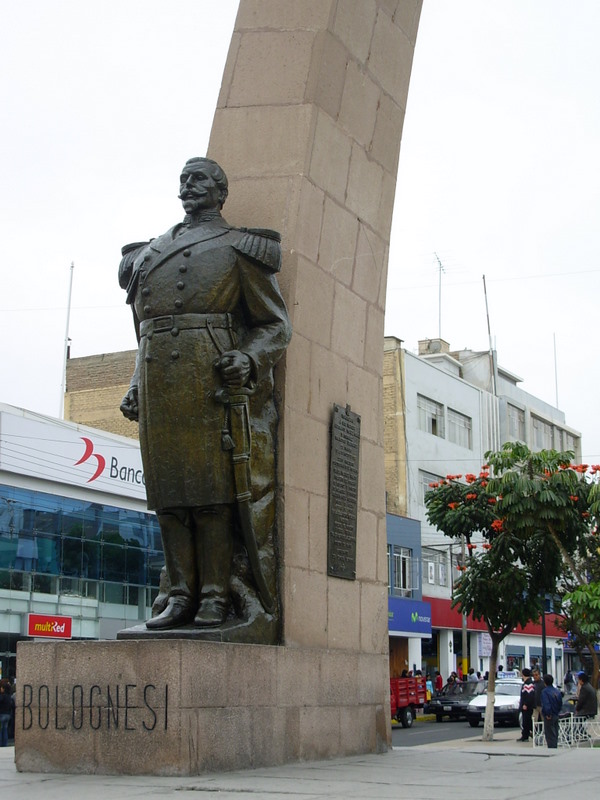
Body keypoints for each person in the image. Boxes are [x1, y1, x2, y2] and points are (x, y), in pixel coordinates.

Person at [119, 157, 292, 635]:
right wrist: (135, 384)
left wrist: (251, 358)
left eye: (198, 180)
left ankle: (215, 596)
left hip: (208, 377)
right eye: (183, 180)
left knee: (212, 497)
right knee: (169, 498)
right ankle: (179, 594)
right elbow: (143, 332)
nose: (187, 187)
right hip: (160, 382)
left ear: (220, 191)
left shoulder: (239, 248)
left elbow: (275, 324)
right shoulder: (150, 253)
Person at [541, 674, 562, 748]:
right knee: (555, 732)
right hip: (556, 714)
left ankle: (552, 748)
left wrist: (548, 714)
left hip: (549, 715)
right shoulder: (556, 691)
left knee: (550, 734)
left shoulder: (545, 692)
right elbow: (560, 703)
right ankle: (555, 746)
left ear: (545, 682)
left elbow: (546, 703)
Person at [518, 667, 535, 742]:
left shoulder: (528, 683)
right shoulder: (527, 683)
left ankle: (526, 736)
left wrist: (525, 704)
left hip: (527, 707)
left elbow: (529, 695)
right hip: (526, 706)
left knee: (526, 722)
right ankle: (526, 734)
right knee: (526, 721)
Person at [0, 680, 13, 747]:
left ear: (4, 689)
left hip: (1, 714)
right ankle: (5, 744)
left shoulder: (2, 696)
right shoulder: (9, 696)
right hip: (7, 715)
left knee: (1, 730)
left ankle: (0, 743)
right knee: (5, 730)